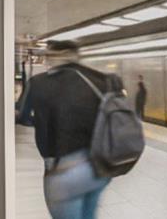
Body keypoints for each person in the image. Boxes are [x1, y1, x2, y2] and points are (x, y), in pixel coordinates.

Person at [16, 40, 122, 219]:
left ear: (54, 57)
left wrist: (39, 120)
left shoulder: (37, 83)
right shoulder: (102, 80)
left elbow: (23, 116)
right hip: (99, 167)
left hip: (63, 170)